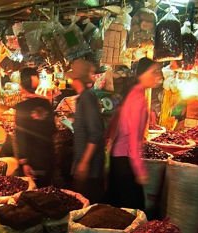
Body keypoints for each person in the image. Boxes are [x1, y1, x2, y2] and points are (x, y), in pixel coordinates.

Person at [106, 57, 163, 210]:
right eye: (154, 71)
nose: (158, 75)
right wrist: (140, 170)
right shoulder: (138, 99)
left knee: (118, 208)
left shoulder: (132, 94)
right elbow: (133, 139)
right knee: (132, 210)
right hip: (125, 160)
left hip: (118, 158)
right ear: (141, 75)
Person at [69, 59, 105, 204]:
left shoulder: (87, 97)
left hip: (90, 168)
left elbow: (95, 133)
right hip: (86, 164)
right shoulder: (83, 97)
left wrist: (84, 162)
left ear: (77, 79)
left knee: (88, 206)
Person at [15, 67, 56, 187]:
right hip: (48, 157)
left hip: (32, 161)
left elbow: (21, 135)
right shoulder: (46, 103)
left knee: (32, 192)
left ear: (21, 84)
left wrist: (24, 162)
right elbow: (53, 129)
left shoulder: (21, 107)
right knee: (46, 190)